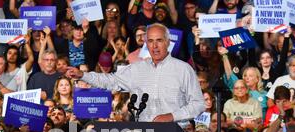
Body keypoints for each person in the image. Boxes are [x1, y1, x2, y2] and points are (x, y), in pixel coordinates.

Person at [66, 23, 205, 122]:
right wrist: (83, 75)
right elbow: (110, 81)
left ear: (168, 42)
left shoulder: (183, 69)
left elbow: (198, 104)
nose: (155, 46)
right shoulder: (136, 69)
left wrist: (172, 116)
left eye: (159, 41)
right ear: (146, 44)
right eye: (150, 41)